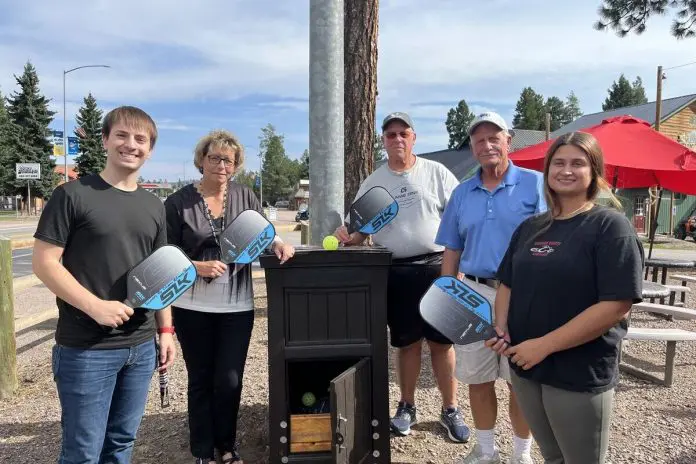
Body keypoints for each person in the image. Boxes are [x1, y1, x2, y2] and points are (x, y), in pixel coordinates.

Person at [487, 131, 644, 464]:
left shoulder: (610, 226)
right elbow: (507, 283)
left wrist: (544, 345)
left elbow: (617, 304)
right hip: (526, 366)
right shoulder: (531, 227)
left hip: (578, 371)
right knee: (552, 457)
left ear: (594, 172)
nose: (566, 170)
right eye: (558, 162)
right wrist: (501, 328)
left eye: (578, 163)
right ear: (547, 170)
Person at [32, 106, 176, 464]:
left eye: (140, 139)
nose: (131, 145)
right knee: (83, 452)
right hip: (86, 349)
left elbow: (159, 275)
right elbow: (44, 263)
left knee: (121, 445)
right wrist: (94, 306)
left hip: (141, 347)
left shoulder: (153, 205)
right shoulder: (72, 195)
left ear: (150, 149)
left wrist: (167, 331)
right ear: (105, 140)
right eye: (122, 136)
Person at [335, 112, 469, 442]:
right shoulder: (373, 182)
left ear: (414, 137)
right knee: (406, 344)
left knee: (442, 343)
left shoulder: (436, 173)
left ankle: (450, 408)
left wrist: (459, 270)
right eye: (390, 134)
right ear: (383, 141)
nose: (397, 139)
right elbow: (359, 233)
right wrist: (346, 236)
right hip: (396, 272)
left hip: (439, 267)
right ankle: (407, 406)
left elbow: (461, 221)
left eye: (403, 133)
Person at [164, 129, 295, 464]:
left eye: (228, 159)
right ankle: (203, 451)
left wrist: (279, 243)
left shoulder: (245, 196)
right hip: (191, 305)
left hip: (237, 305)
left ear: (235, 165)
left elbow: (262, 232)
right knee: (201, 379)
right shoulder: (179, 202)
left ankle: (226, 445)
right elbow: (165, 254)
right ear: (201, 160)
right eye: (214, 158)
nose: (221, 164)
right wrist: (196, 267)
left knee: (230, 379)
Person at [435, 112, 544, 464]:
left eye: (494, 137)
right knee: (478, 377)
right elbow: (452, 248)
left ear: (508, 140)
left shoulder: (536, 184)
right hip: (475, 294)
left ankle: (521, 454)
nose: (487, 145)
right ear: (472, 147)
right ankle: (485, 451)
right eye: (479, 140)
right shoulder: (462, 193)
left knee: (520, 379)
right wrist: (447, 297)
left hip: (525, 294)